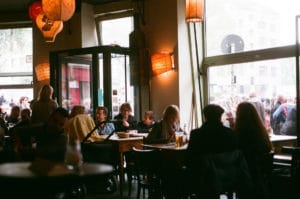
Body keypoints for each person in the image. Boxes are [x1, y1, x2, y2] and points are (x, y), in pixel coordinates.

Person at [186, 104, 251, 199]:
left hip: (205, 179)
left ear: (205, 116)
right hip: (230, 177)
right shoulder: (230, 134)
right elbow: (236, 156)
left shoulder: (196, 134)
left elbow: (189, 158)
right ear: (220, 117)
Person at [233, 102, 273, 199]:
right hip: (259, 172)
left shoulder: (239, 134)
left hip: (244, 174)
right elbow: (267, 148)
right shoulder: (261, 131)